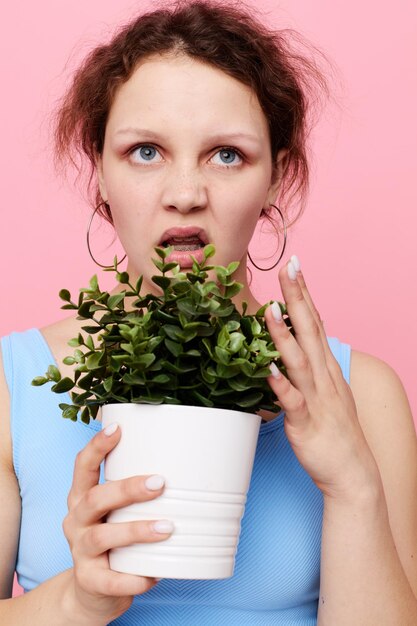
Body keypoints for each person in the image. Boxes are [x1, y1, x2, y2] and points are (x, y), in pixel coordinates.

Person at [1, 0, 416, 624]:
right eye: (145, 151)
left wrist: (352, 486)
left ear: (277, 176)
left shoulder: (366, 394)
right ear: (101, 172)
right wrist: (79, 599)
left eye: (227, 154)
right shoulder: (13, 387)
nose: (186, 194)